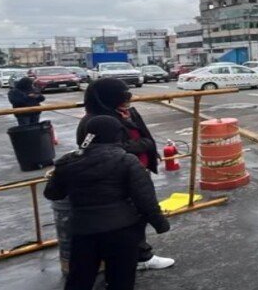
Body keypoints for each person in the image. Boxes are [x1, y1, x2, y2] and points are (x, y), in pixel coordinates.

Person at [45, 116, 170, 290]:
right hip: (122, 229)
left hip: (83, 230)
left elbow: (52, 193)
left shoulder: (69, 161)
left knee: (79, 279)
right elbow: (145, 199)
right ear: (117, 134)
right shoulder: (127, 160)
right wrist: (160, 223)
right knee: (121, 280)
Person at [77, 78, 174, 271]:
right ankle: (138, 258)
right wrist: (145, 145)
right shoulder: (95, 121)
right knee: (129, 217)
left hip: (138, 171)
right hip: (117, 178)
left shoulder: (128, 112)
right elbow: (102, 149)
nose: (127, 100)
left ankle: (137, 254)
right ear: (107, 98)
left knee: (139, 215)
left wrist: (149, 149)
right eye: (122, 97)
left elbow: (145, 136)